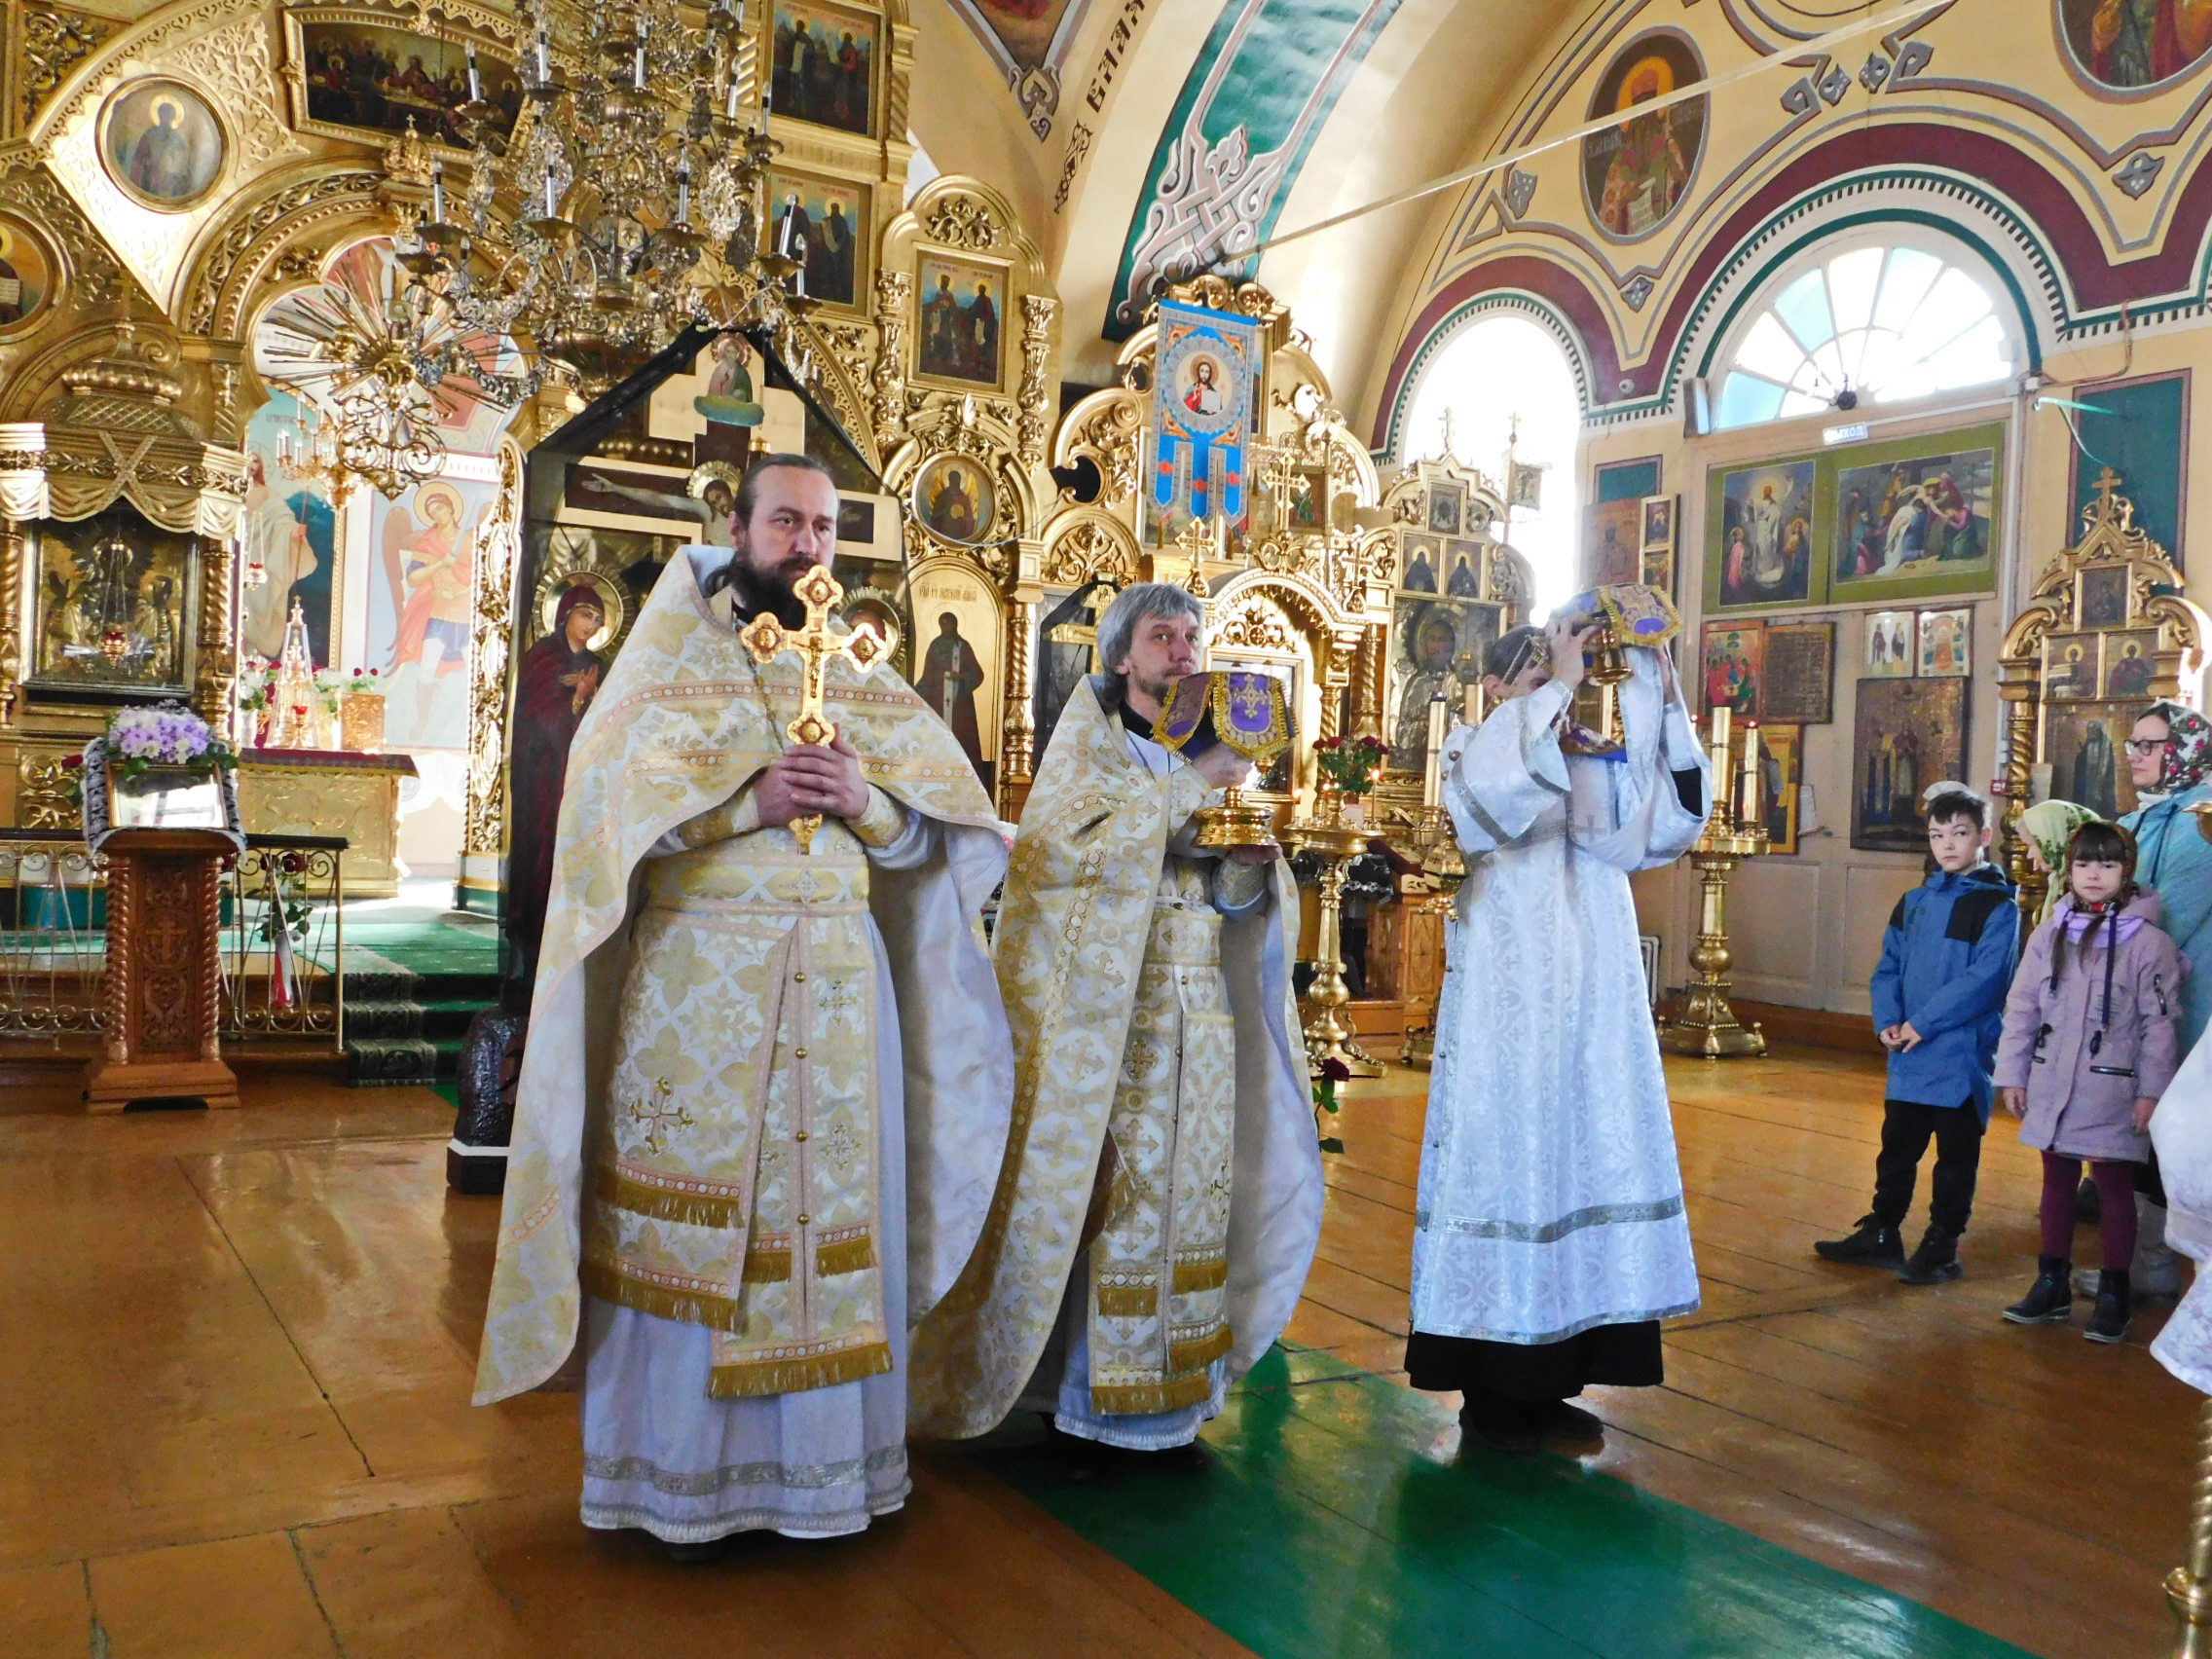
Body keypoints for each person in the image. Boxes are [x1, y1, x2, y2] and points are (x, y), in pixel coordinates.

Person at [473, 455, 1015, 1555]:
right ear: (738, 525)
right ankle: (675, 1478)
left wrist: (867, 802)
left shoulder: (863, 670)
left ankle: (825, 1474)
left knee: (829, 1219)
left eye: (823, 527)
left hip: (840, 989)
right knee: (698, 1223)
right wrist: (741, 804)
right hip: (698, 989)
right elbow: (609, 822)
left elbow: (934, 840)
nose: (806, 545)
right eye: (786, 521)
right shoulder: (670, 659)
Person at [910, 582, 1322, 1474]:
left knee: (1192, 1202)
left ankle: (1170, 1405)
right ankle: (1088, 1402)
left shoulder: (1215, 756)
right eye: (1161, 635)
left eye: (1191, 634)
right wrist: (1191, 791)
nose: (1181, 648)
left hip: (1201, 1019)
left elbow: (1238, 901)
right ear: (1123, 658)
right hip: (1110, 1024)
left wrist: (1248, 865)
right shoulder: (1090, 751)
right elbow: (1063, 858)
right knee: (1109, 1203)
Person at [1407, 619, 1710, 1453]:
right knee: (1514, 1160)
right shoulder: (1475, 744)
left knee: (1584, 1151)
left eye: (1561, 670)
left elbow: (1657, 832)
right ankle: (1495, 1393)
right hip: (1513, 998)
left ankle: (1558, 1377)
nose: (1558, 685)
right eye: (1536, 673)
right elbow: (1493, 806)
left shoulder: (1585, 752)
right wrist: (1556, 691)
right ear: (1500, 686)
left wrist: (1657, 693)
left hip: (1594, 994)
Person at [1817, 785, 2018, 1283]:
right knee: (1897, 1148)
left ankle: (1942, 1243)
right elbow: (1889, 967)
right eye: (1936, 835)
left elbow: (1985, 981)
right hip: (1908, 1051)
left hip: (1959, 1054)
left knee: (1954, 1160)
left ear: (1983, 837)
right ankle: (1883, 1230)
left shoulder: (1998, 907)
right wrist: (1888, 1020)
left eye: (1960, 834)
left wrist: (1922, 1024)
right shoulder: (1913, 903)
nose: (1947, 845)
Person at [1995, 821, 2182, 1344]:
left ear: (2126, 871)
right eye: (2083, 864)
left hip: (2112, 1086)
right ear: (2069, 869)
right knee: (2055, 1181)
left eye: (2106, 864)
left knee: (2113, 1187)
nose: (2093, 875)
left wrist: (2151, 1092)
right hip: (2052, 1079)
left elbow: (2160, 1026)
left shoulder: (2150, 944)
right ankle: (2050, 1280)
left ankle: (2115, 1291)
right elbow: (2023, 1005)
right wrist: (2013, 1071)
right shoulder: (2052, 933)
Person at [2116, 699, 2212, 1299]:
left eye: (2149, 745)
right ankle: (2136, 1262)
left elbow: (2166, 919)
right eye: (2132, 744)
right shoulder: (2138, 818)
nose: (2134, 756)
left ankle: (2156, 1267)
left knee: (2172, 1127)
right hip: (2133, 996)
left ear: (2183, 752)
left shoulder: (2203, 822)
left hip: (2187, 1001)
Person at [505, 583, 608, 982]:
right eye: (586, 616)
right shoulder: (542, 657)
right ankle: (526, 952)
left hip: (580, 776)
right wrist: (576, 700)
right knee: (539, 857)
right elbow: (537, 718)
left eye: (598, 620)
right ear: (566, 614)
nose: (591, 626)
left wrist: (588, 700)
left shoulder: (599, 663)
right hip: (542, 779)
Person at [583, 467, 740, 547]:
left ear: (728, 492)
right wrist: (615, 488)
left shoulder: (751, 509)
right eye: (714, 502)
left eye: (719, 497)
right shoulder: (707, 511)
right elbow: (657, 499)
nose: (719, 505)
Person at [912, 611, 985, 775]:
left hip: (960, 704)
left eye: (948, 623)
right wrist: (914, 694)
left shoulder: (963, 647)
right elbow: (927, 676)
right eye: (942, 624)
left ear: (955, 625)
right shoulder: (935, 646)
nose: (945, 627)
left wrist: (961, 676)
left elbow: (977, 674)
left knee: (961, 737)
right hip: (938, 699)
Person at [2017, 798, 2100, 927]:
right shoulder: (2060, 882)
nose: (2029, 855)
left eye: (2032, 846)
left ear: (2055, 839)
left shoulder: (2090, 891)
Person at [127, 100, 195, 200]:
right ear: (159, 115)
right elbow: (139, 161)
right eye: (163, 114)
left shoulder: (177, 139)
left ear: (173, 117)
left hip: (171, 184)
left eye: (168, 114)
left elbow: (183, 165)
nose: (166, 118)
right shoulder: (149, 135)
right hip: (151, 181)